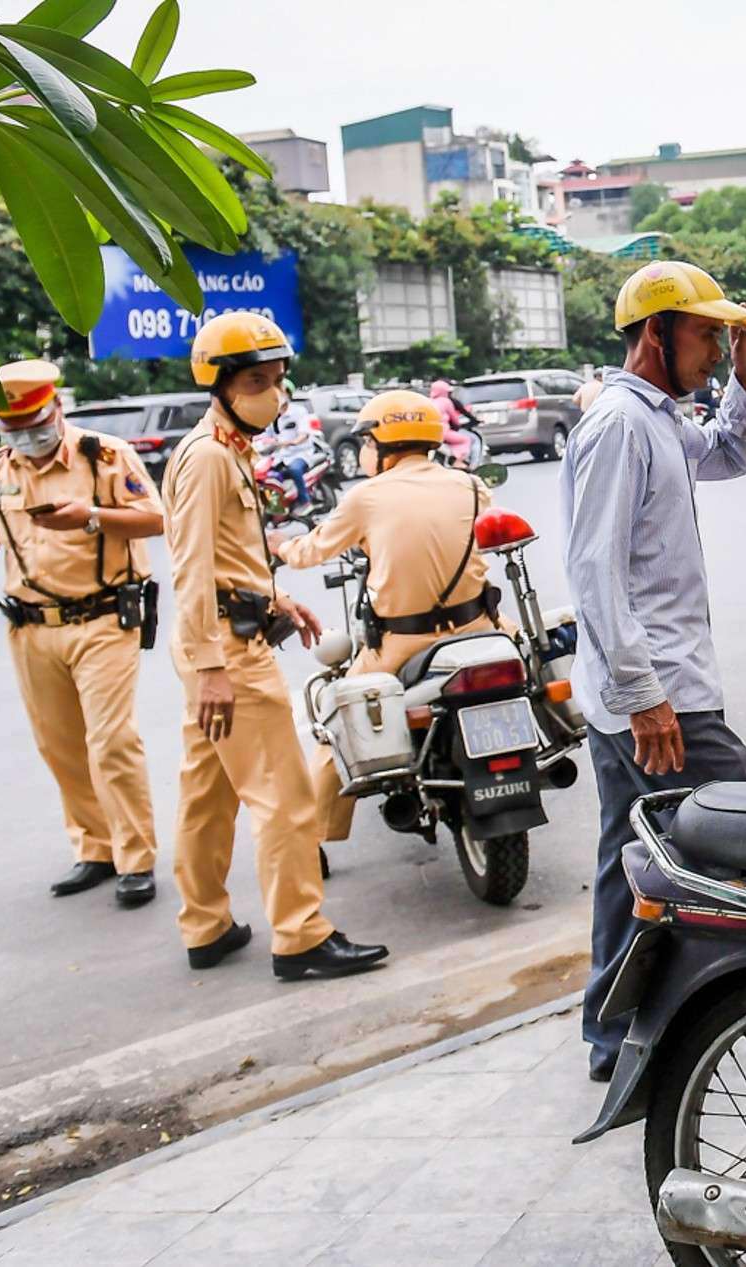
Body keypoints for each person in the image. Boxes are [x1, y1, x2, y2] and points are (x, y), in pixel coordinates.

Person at [562, 260, 746, 1081]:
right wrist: (645, 693)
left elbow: (729, 453)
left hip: (660, 687)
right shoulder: (618, 423)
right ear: (656, 332)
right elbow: (593, 567)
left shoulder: (657, 417)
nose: (717, 350)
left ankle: (614, 1035)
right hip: (658, 696)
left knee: (636, 856)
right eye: (707, 334)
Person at [165, 312, 388, 980]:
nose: (275, 394)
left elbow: (227, 558)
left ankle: (205, 925)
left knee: (207, 792)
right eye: (258, 380)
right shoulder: (208, 456)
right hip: (226, 651)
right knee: (286, 799)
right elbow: (190, 566)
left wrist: (274, 596)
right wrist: (211, 667)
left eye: (278, 380)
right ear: (223, 383)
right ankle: (301, 936)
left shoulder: (226, 447)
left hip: (221, 635)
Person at [0, 360, 165, 904]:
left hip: (103, 619)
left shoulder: (105, 455)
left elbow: (155, 518)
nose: (25, 437)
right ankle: (95, 848)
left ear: (56, 407)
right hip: (32, 628)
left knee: (111, 741)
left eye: (33, 423)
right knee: (60, 745)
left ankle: (136, 858)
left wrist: (91, 515)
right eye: (12, 429)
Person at [269, 390, 495, 843]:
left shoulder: (365, 497)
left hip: (401, 644)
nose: (365, 453)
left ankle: (314, 839)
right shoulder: (472, 485)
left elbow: (314, 548)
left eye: (367, 444)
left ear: (382, 446)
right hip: (481, 629)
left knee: (334, 721)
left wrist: (281, 548)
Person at [260, 386, 319, 506]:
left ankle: (304, 501)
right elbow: (265, 435)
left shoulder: (298, 412)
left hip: (299, 453)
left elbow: (304, 434)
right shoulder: (271, 415)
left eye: (282, 392)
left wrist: (293, 442)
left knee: (294, 470)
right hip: (278, 455)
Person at [428, 380, 476, 468]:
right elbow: (454, 419)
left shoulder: (428, 402)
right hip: (444, 433)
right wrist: (457, 426)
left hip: (430, 433)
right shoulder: (446, 402)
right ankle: (458, 461)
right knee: (465, 440)